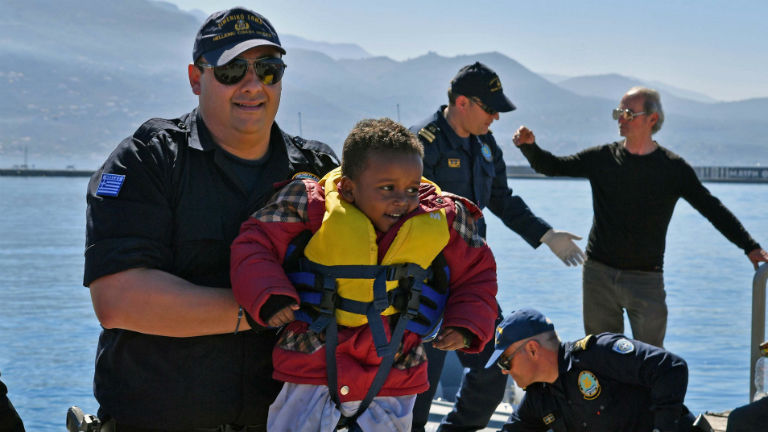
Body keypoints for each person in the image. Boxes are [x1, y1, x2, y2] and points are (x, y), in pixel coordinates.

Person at [83, 8, 338, 431]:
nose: (252, 84)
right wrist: (265, 308)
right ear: (195, 77)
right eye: (232, 69)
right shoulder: (148, 160)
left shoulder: (319, 169)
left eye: (269, 69)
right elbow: (118, 300)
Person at [230, 118, 498, 432]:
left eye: (412, 188)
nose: (402, 199)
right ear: (347, 188)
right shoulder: (308, 202)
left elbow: (478, 273)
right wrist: (269, 295)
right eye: (387, 188)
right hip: (310, 366)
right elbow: (254, 242)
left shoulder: (445, 218)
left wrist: (466, 324)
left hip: (395, 373)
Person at [513, 86, 768, 347]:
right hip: (599, 275)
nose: (620, 119)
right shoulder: (603, 158)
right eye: (618, 113)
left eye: (628, 113)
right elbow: (553, 166)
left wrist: (750, 246)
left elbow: (712, 209)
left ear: (652, 119)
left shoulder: (673, 169)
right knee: (601, 359)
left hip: (646, 280)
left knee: (651, 362)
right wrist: (530, 147)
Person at [409, 62, 585, 432]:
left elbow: (503, 200)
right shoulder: (421, 145)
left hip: (470, 279)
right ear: (462, 102)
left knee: (493, 368)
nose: (496, 118)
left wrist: (546, 235)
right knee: (419, 384)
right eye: (490, 109)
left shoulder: (486, 146)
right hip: (423, 282)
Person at [487, 308, 696, 432]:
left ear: (532, 350)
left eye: (506, 361)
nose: (505, 371)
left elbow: (670, 368)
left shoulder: (598, 354)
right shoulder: (539, 397)